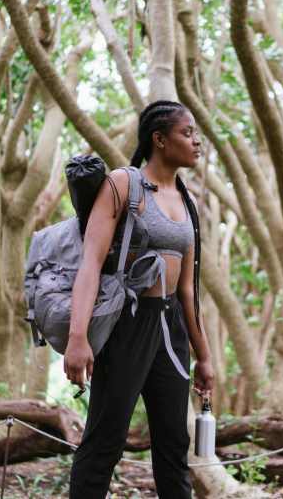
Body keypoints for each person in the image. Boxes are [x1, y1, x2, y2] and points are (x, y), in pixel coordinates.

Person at [65, 100, 215, 498]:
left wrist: (204, 355)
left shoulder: (186, 202)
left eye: (197, 133)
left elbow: (187, 291)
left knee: (173, 446)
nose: (198, 141)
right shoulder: (123, 184)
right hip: (127, 326)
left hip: (172, 333)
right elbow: (91, 264)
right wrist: (78, 337)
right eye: (188, 133)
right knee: (105, 442)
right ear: (160, 139)